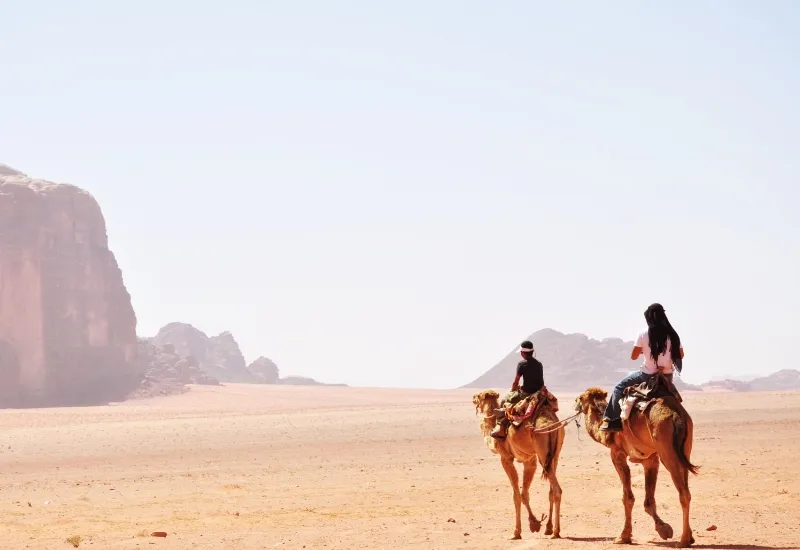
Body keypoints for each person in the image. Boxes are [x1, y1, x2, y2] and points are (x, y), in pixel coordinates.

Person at [601, 303, 685, 432]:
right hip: (667, 377)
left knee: (618, 387)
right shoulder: (673, 335)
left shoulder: (643, 333)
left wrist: (644, 351)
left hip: (646, 375)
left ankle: (613, 420)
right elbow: (681, 355)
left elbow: (634, 356)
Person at [491, 340, 545, 440]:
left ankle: (500, 428)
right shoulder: (539, 364)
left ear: (523, 353)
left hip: (526, 395)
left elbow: (516, 381)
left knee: (504, 400)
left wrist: (512, 391)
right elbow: (540, 382)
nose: (521, 354)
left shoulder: (522, 364)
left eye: (521, 352)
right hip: (539, 394)